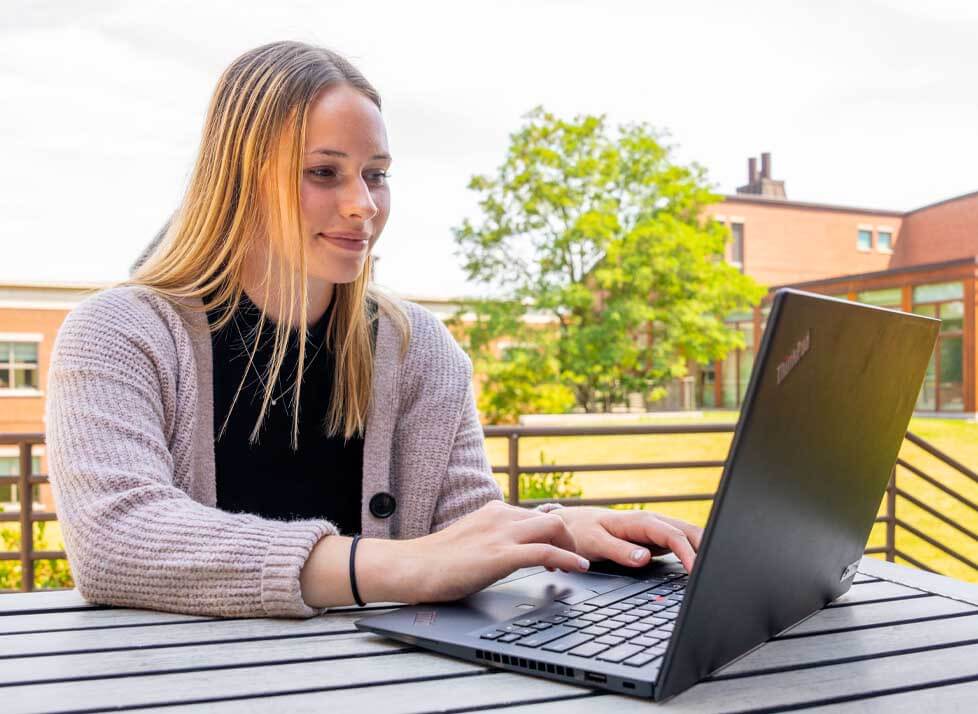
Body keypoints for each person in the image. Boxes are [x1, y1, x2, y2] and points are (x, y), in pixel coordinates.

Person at [45, 41, 703, 619]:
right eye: (323, 172)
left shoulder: (419, 349)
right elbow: (116, 541)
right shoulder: (119, 333)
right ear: (239, 179)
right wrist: (394, 567)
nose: (362, 204)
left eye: (376, 175)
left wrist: (557, 530)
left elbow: (462, 531)